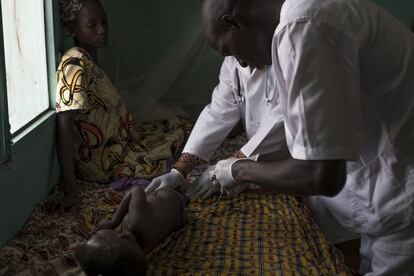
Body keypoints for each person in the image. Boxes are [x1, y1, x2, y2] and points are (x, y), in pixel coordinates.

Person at [201, 0, 414, 275]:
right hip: (389, 198)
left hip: (403, 202)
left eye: (228, 50)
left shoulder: (302, 25)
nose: (239, 62)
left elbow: (320, 175)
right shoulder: (311, 12)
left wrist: (236, 170)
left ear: (233, 22)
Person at [47, 0, 187, 212]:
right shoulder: (74, 64)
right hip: (104, 161)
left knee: (177, 126)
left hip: (119, 143)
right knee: (177, 138)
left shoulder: (89, 60)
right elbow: (65, 124)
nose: (102, 30)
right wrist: (71, 190)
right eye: (92, 25)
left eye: (104, 22)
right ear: (70, 29)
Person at [145, 56, 287, 198]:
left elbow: (280, 120)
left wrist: (225, 170)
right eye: (226, 52)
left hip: (291, 159)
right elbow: (218, 113)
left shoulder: (288, 58)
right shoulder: (232, 61)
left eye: (228, 49)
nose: (236, 59)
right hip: (257, 157)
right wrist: (179, 171)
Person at [75, 185, 188, 276]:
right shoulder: (135, 223)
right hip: (171, 196)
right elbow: (137, 190)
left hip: (179, 221)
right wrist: (114, 221)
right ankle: (182, 190)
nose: (93, 233)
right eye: (96, 236)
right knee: (164, 189)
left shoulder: (139, 253)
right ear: (123, 237)